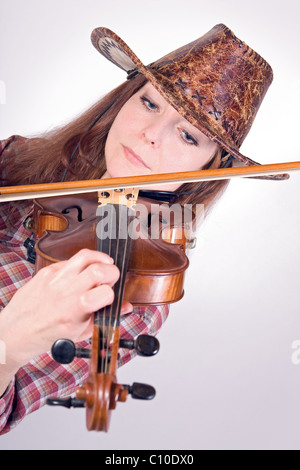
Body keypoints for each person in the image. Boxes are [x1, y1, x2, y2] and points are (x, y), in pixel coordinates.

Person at [0, 23, 285, 435]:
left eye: (188, 135)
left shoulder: (136, 291)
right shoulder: (17, 158)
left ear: (208, 168)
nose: (150, 135)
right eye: (149, 104)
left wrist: (10, 339)